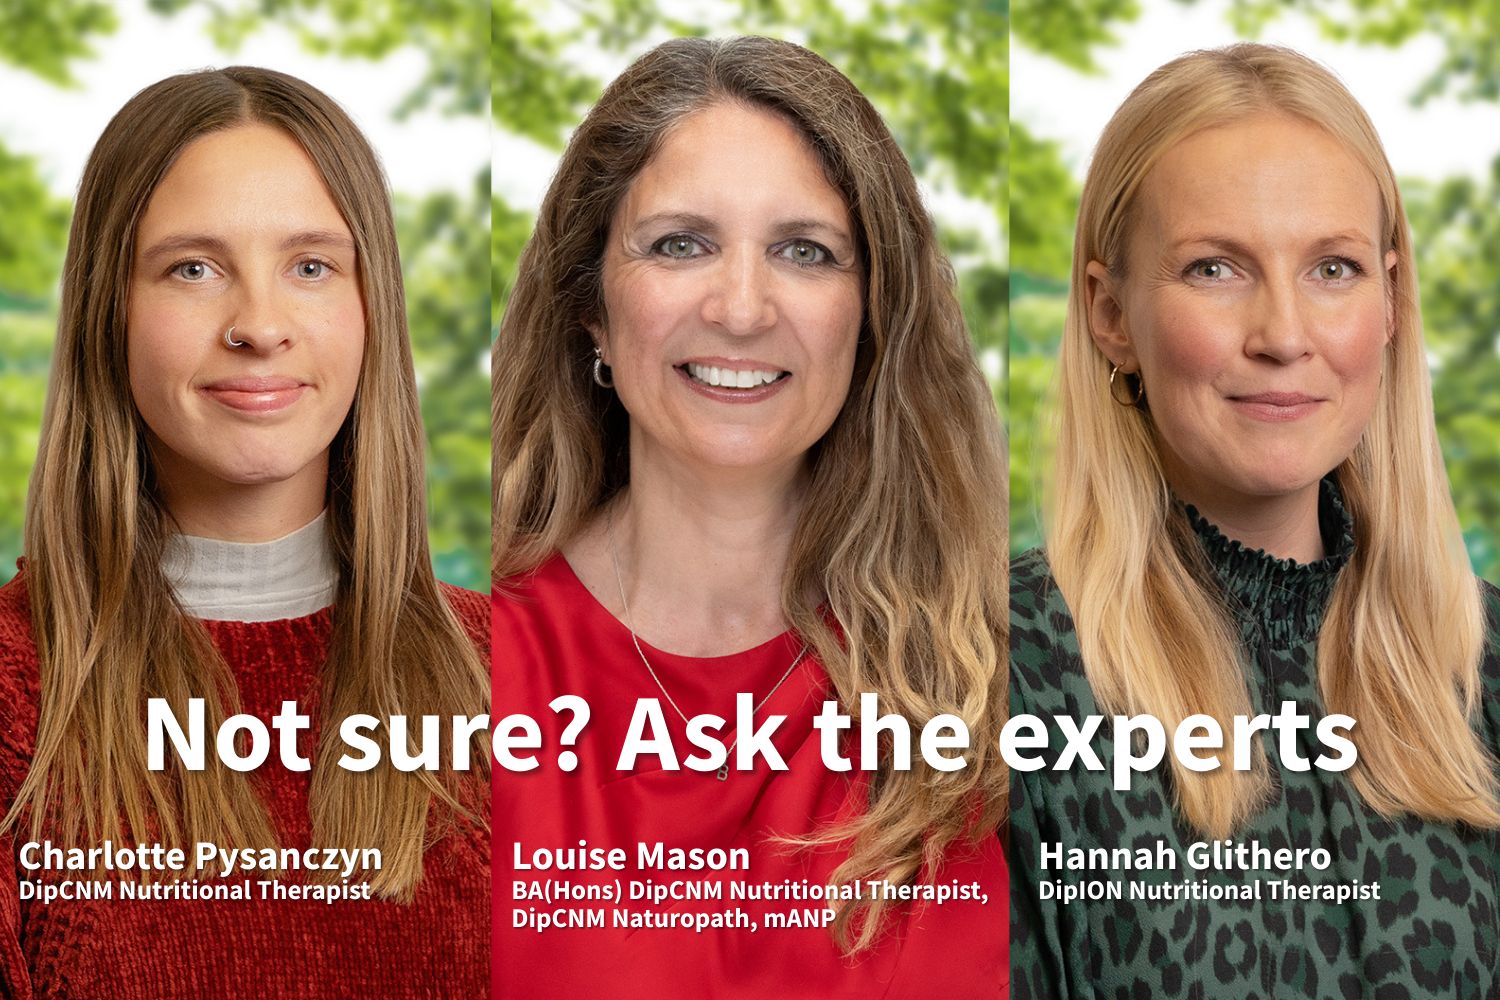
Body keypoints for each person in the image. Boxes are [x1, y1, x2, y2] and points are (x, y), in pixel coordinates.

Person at [492, 35, 1008, 999]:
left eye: (804, 251)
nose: (740, 308)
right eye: (681, 244)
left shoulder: (1011, 682)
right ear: (592, 308)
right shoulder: (463, 673)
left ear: (872, 314)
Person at [1009, 43, 1500, 997]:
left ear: (1392, 301)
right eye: (1215, 268)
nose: (1283, 335)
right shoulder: (1001, 674)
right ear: (1112, 315)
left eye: (1333, 268)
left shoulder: (1487, 665)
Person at [0, 67, 489, 997]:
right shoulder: (14, 695)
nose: (260, 325)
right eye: (194, 268)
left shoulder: (526, 682)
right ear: (112, 312)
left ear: (369, 305)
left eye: (310, 266)